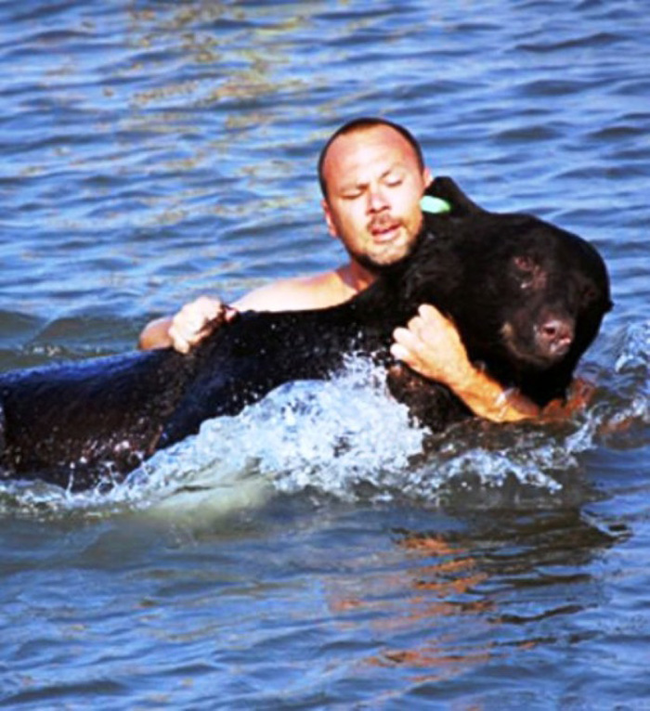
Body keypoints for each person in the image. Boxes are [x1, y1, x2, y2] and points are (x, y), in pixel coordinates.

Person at [139, 117, 563, 422]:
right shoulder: (297, 304)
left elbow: (570, 424)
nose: (377, 204)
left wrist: (460, 376)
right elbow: (151, 342)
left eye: (393, 184)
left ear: (427, 188)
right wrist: (181, 325)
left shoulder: (487, 297)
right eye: (354, 193)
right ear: (330, 218)